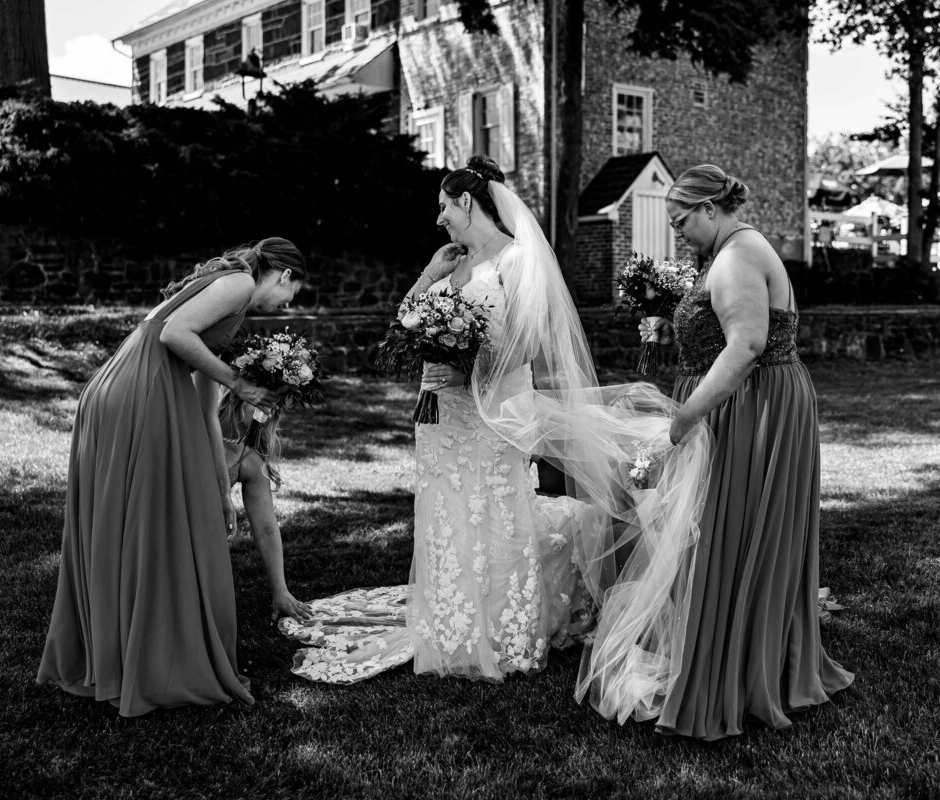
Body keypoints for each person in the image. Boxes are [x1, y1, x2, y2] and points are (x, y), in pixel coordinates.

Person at [280, 156, 711, 685]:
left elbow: (527, 345)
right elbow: (404, 324)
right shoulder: (450, 258)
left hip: (492, 414)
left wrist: (469, 372)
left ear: (466, 201)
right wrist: (429, 276)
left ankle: (502, 629)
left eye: (443, 206)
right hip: (439, 415)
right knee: (444, 512)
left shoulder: (517, 259)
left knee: (493, 512)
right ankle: (449, 618)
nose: (438, 219)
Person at [593, 165, 854, 738]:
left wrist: (685, 417)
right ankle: (737, 645)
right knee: (725, 530)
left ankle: (735, 666)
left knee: (730, 529)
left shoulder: (738, 255)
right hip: (748, 403)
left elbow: (747, 345)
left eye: (681, 219)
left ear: (711, 208)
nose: (679, 231)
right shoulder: (735, 249)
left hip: (750, 408)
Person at [37, 237, 306, 717]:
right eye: (293, 294)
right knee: (147, 523)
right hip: (140, 393)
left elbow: (205, 411)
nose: (287, 305)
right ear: (284, 275)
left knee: (140, 524)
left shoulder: (229, 304)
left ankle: (128, 651)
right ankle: (147, 658)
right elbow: (173, 334)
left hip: (121, 391)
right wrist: (239, 381)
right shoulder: (240, 282)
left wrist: (218, 491)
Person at [217, 391, 312, 624]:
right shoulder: (197, 429)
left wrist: (281, 589)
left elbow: (267, 528)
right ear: (236, 398)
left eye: (274, 407)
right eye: (261, 403)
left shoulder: (249, 458)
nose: (267, 411)